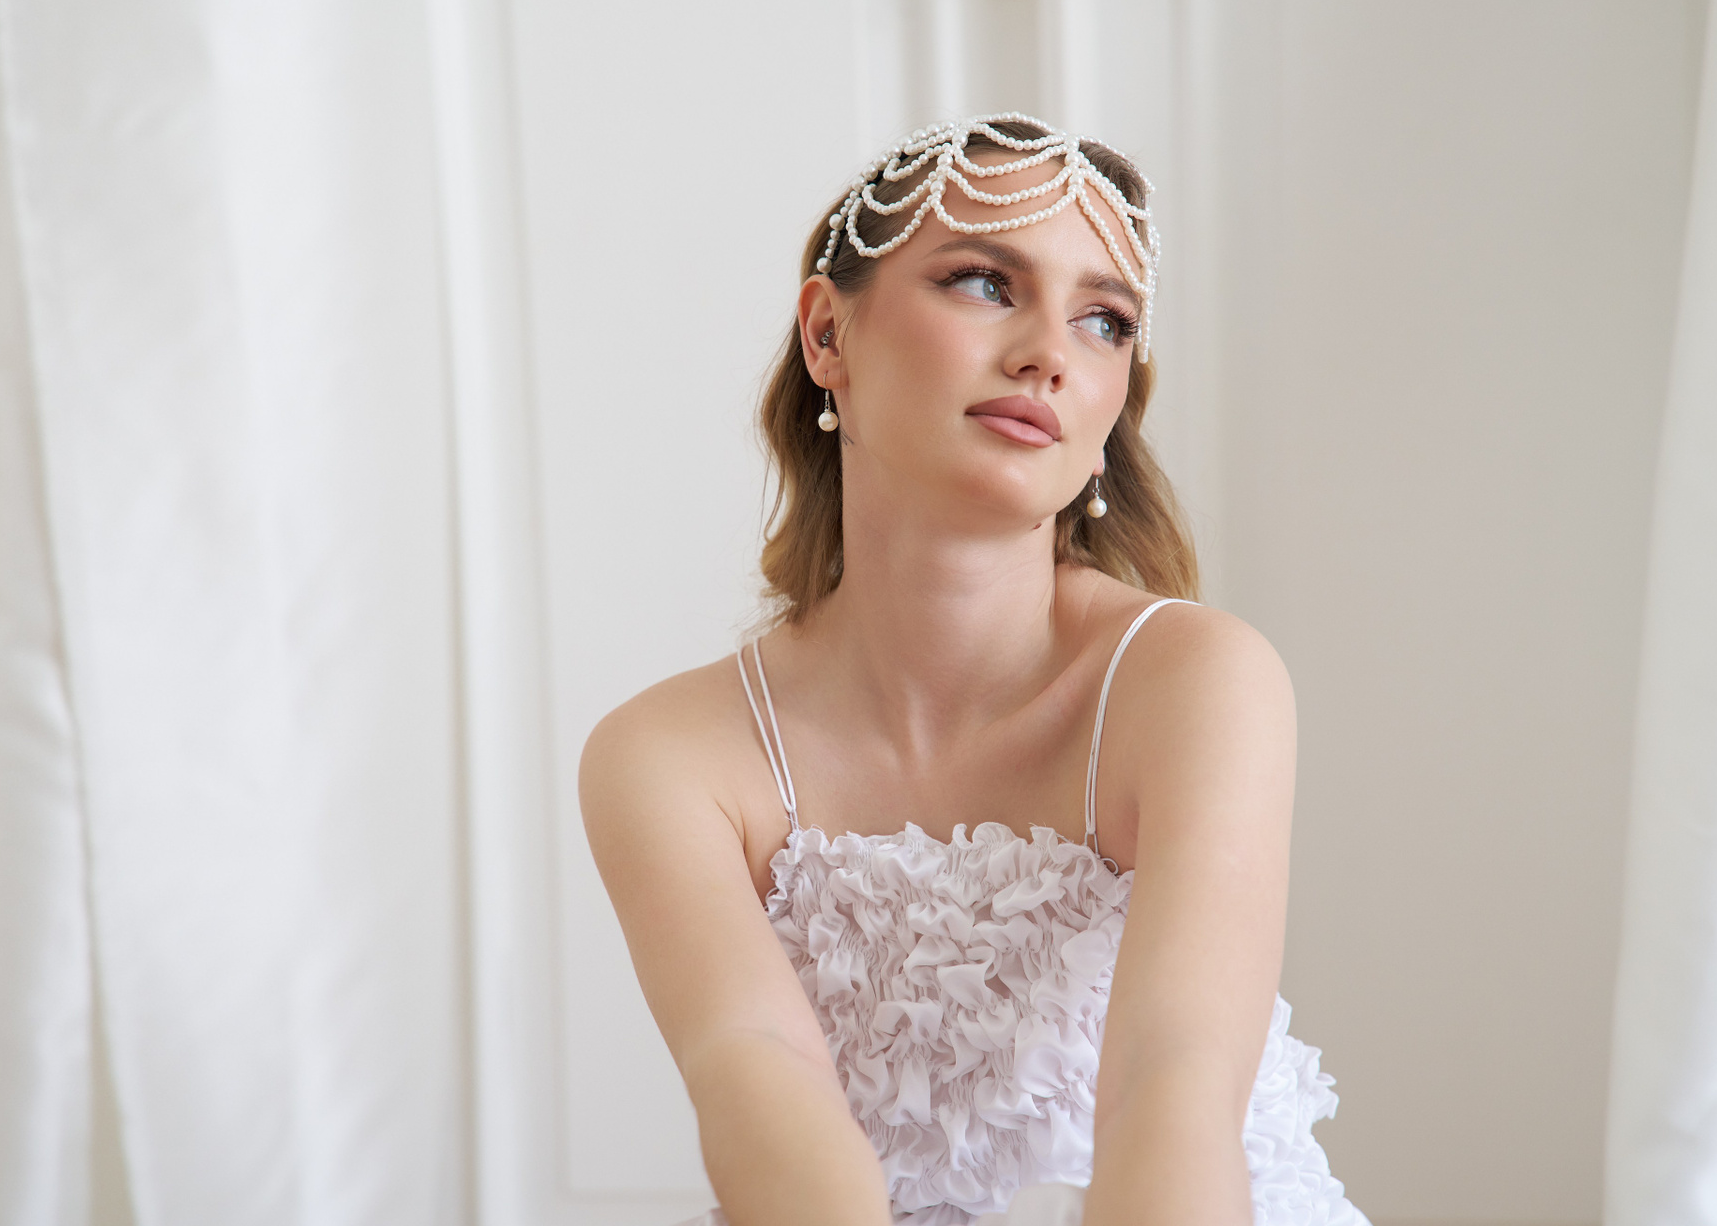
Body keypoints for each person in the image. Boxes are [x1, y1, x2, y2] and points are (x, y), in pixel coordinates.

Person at [580, 115, 1369, 1226]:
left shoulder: (1195, 681)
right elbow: (756, 1080)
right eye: (985, 283)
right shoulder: (670, 755)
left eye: (1104, 320)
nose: (1051, 352)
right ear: (828, 335)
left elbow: (1173, 1083)